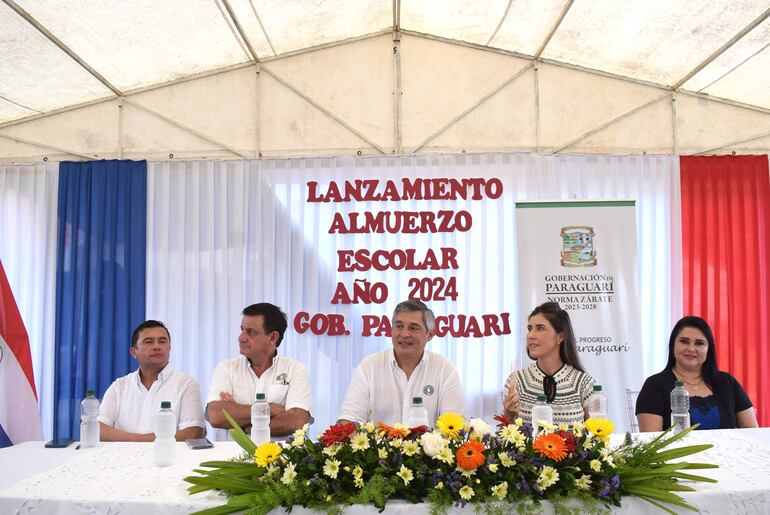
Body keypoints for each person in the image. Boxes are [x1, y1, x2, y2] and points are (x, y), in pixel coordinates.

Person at [337, 299, 464, 427]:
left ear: (430, 334)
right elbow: (350, 417)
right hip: (379, 447)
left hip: (430, 447)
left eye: (413, 328)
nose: (404, 334)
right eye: (399, 326)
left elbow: (455, 424)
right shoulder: (369, 366)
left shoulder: (444, 369)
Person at [205, 303, 312, 439]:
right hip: (230, 456)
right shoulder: (226, 368)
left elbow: (296, 422)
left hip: (279, 458)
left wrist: (244, 424)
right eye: (242, 329)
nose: (241, 337)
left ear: (273, 337)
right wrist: (270, 409)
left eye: (250, 332)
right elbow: (216, 415)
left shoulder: (295, 370)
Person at [635, 316, 757, 431]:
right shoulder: (654, 385)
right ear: (673, 346)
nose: (691, 349)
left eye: (699, 343)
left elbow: (751, 432)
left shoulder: (727, 382)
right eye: (684, 341)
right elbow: (651, 443)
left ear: (709, 350)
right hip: (676, 454)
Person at [99, 320, 205, 441]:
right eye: (148, 342)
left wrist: (136, 440)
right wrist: (137, 439)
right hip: (122, 458)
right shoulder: (119, 386)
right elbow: (99, 429)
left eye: (162, 341)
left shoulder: (186, 384)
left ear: (169, 348)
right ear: (133, 352)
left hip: (170, 457)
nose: (157, 346)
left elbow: (192, 433)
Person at [501, 302, 595, 425]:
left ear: (560, 337)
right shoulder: (516, 381)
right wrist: (510, 413)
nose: (530, 335)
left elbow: (596, 437)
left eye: (540, 328)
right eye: (529, 329)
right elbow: (505, 439)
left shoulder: (583, 383)